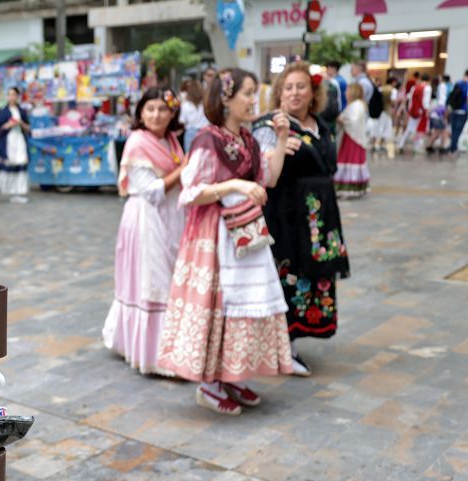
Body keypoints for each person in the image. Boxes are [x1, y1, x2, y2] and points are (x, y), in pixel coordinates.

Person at [156, 68, 293, 416]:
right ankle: (209, 384)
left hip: (243, 232)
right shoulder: (208, 139)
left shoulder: (248, 139)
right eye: (247, 93)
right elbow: (190, 192)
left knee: (239, 305)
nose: (253, 100)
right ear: (226, 99)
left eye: (254, 93)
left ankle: (230, 374)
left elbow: (270, 178)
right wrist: (234, 185)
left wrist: (280, 139)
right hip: (214, 234)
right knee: (218, 304)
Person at [253, 62, 351, 377]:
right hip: (287, 216)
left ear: (313, 92)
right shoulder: (272, 126)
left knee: (312, 274)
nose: (294, 93)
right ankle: (284, 346)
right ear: (279, 93)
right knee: (289, 275)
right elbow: (260, 166)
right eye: (288, 87)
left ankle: (291, 342)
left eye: (301, 86)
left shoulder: (322, 125)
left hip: (319, 218)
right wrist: (277, 150)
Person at [102, 88, 187, 376]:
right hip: (146, 219)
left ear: (172, 113)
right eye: (150, 109)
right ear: (140, 112)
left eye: (162, 109)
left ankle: (171, 347)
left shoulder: (171, 140)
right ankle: (153, 354)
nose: (156, 115)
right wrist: (183, 170)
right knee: (153, 280)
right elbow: (151, 191)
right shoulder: (138, 142)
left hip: (171, 217)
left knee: (168, 277)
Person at [0, 87, 31, 203]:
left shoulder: (21, 112)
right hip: (7, 142)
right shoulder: (3, 112)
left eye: (14, 94)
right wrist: (8, 125)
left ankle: (17, 192)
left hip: (19, 140)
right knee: (3, 167)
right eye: (9, 94)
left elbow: (28, 128)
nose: (11, 97)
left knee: (19, 165)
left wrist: (21, 123)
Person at [334, 82, 370, 198]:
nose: (345, 93)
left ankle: (349, 189)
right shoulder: (357, 104)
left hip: (353, 138)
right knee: (350, 161)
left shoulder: (356, 105)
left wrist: (341, 119)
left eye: (347, 90)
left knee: (349, 160)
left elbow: (353, 121)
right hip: (352, 137)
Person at [398, 73, 430, 153]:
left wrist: (410, 110)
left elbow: (410, 99)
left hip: (413, 111)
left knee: (409, 128)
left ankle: (401, 143)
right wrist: (426, 111)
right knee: (420, 130)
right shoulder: (427, 88)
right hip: (421, 111)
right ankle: (416, 147)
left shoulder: (414, 87)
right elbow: (426, 101)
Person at [371, 77, 399, 156]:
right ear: (393, 82)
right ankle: (380, 144)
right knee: (386, 128)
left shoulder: (381, 88)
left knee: (378, 127)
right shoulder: (393, 90)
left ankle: (375, 144)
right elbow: (393, 101)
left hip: (379, 110)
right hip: (387, 110)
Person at [179, 80, 208, 152]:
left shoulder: (185, 105)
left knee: (189, 154)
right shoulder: (206, 104)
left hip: (190, 132)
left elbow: (182, 120)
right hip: (205, 131)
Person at [426, 76, 449, 154]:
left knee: (437, 131)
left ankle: (430, 146)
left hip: (434, 115)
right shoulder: (442, 95)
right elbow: (443, 109)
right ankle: (441, 148)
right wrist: (445, 118)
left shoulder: (435, 93)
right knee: (443, 132)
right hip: (438, 116)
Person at [449, 70, 468, 153]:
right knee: (457, 131)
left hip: (454, 110)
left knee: (453, 130)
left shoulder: (457, 83)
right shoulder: (467, 86)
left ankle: (452, 146)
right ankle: (453, 148)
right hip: (463, 111)